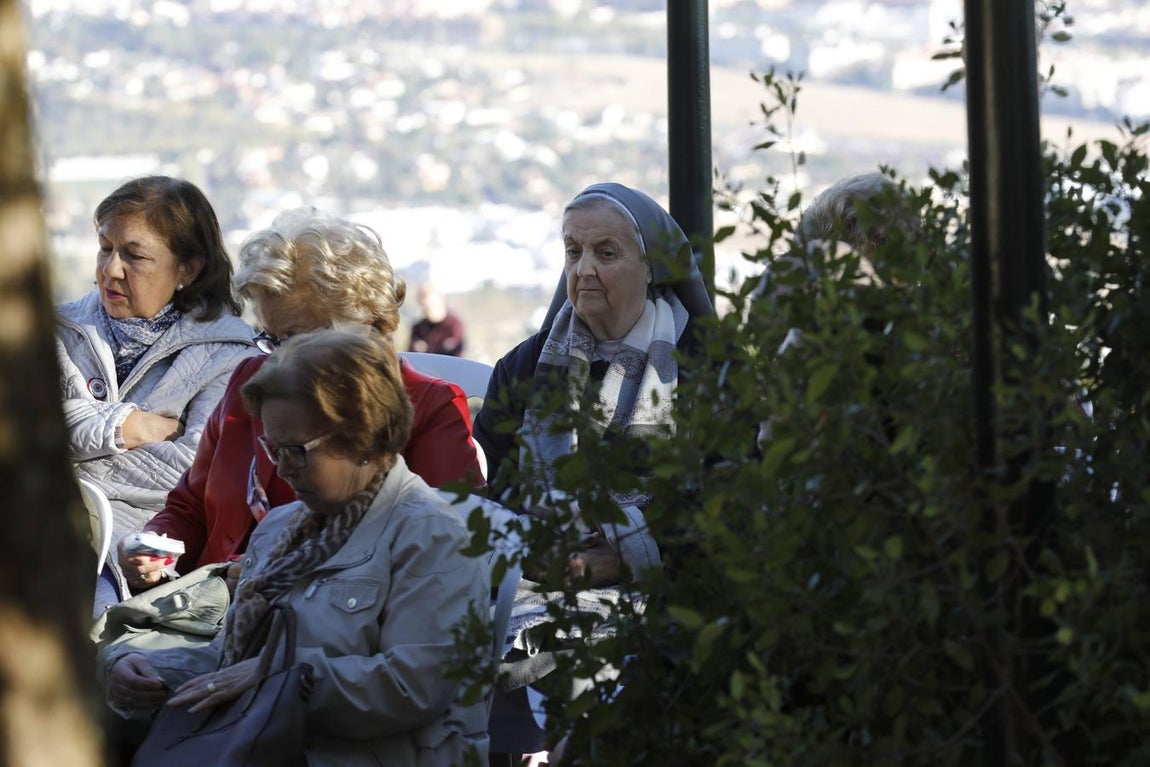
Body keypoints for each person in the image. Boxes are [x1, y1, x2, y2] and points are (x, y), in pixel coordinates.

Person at [102, 328, 491, 766]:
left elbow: (414, 686)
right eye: (272, 449)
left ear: (363, 436)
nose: (282, 470)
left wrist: (286, 679)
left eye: (296, 452)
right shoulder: (283, 528)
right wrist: (136, 667)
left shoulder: (432, 537)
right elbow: (232, 662)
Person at [119, 208, 483, 595]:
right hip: (214, 611)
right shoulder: (252, 383)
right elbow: (191, 506)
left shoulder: (428, 407)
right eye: (270, 338)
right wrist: (155, 548)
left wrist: (283, 574)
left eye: (294, 338)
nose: (277, 359)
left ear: (368, 326)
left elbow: (445, 555)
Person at [472, 182, 714, 759]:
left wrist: (626, 556)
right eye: (572, 251)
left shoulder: (705, 367)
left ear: (651, 266)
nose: (584, 269)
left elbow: (726, 503)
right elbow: (488, 486)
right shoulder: (529, 365)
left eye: (606, 253)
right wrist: (530, 548)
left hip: (663, 589)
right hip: (533, 575)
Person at [56, 176, 257, 607]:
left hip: (129, 554)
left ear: (188, 268)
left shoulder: (231, 356)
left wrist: (70, 461)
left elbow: (193, 469)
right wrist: (129, 426)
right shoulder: (59, 329)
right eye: (105, 247)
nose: (111, 269)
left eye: (135, 255)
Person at [408, 282, 466, 356]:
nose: (429, 309)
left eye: (432, 305)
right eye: (426, 307)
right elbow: (411, 356)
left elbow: (457, 355)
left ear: (441, 299)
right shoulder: (418, 328)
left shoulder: (454, 325)